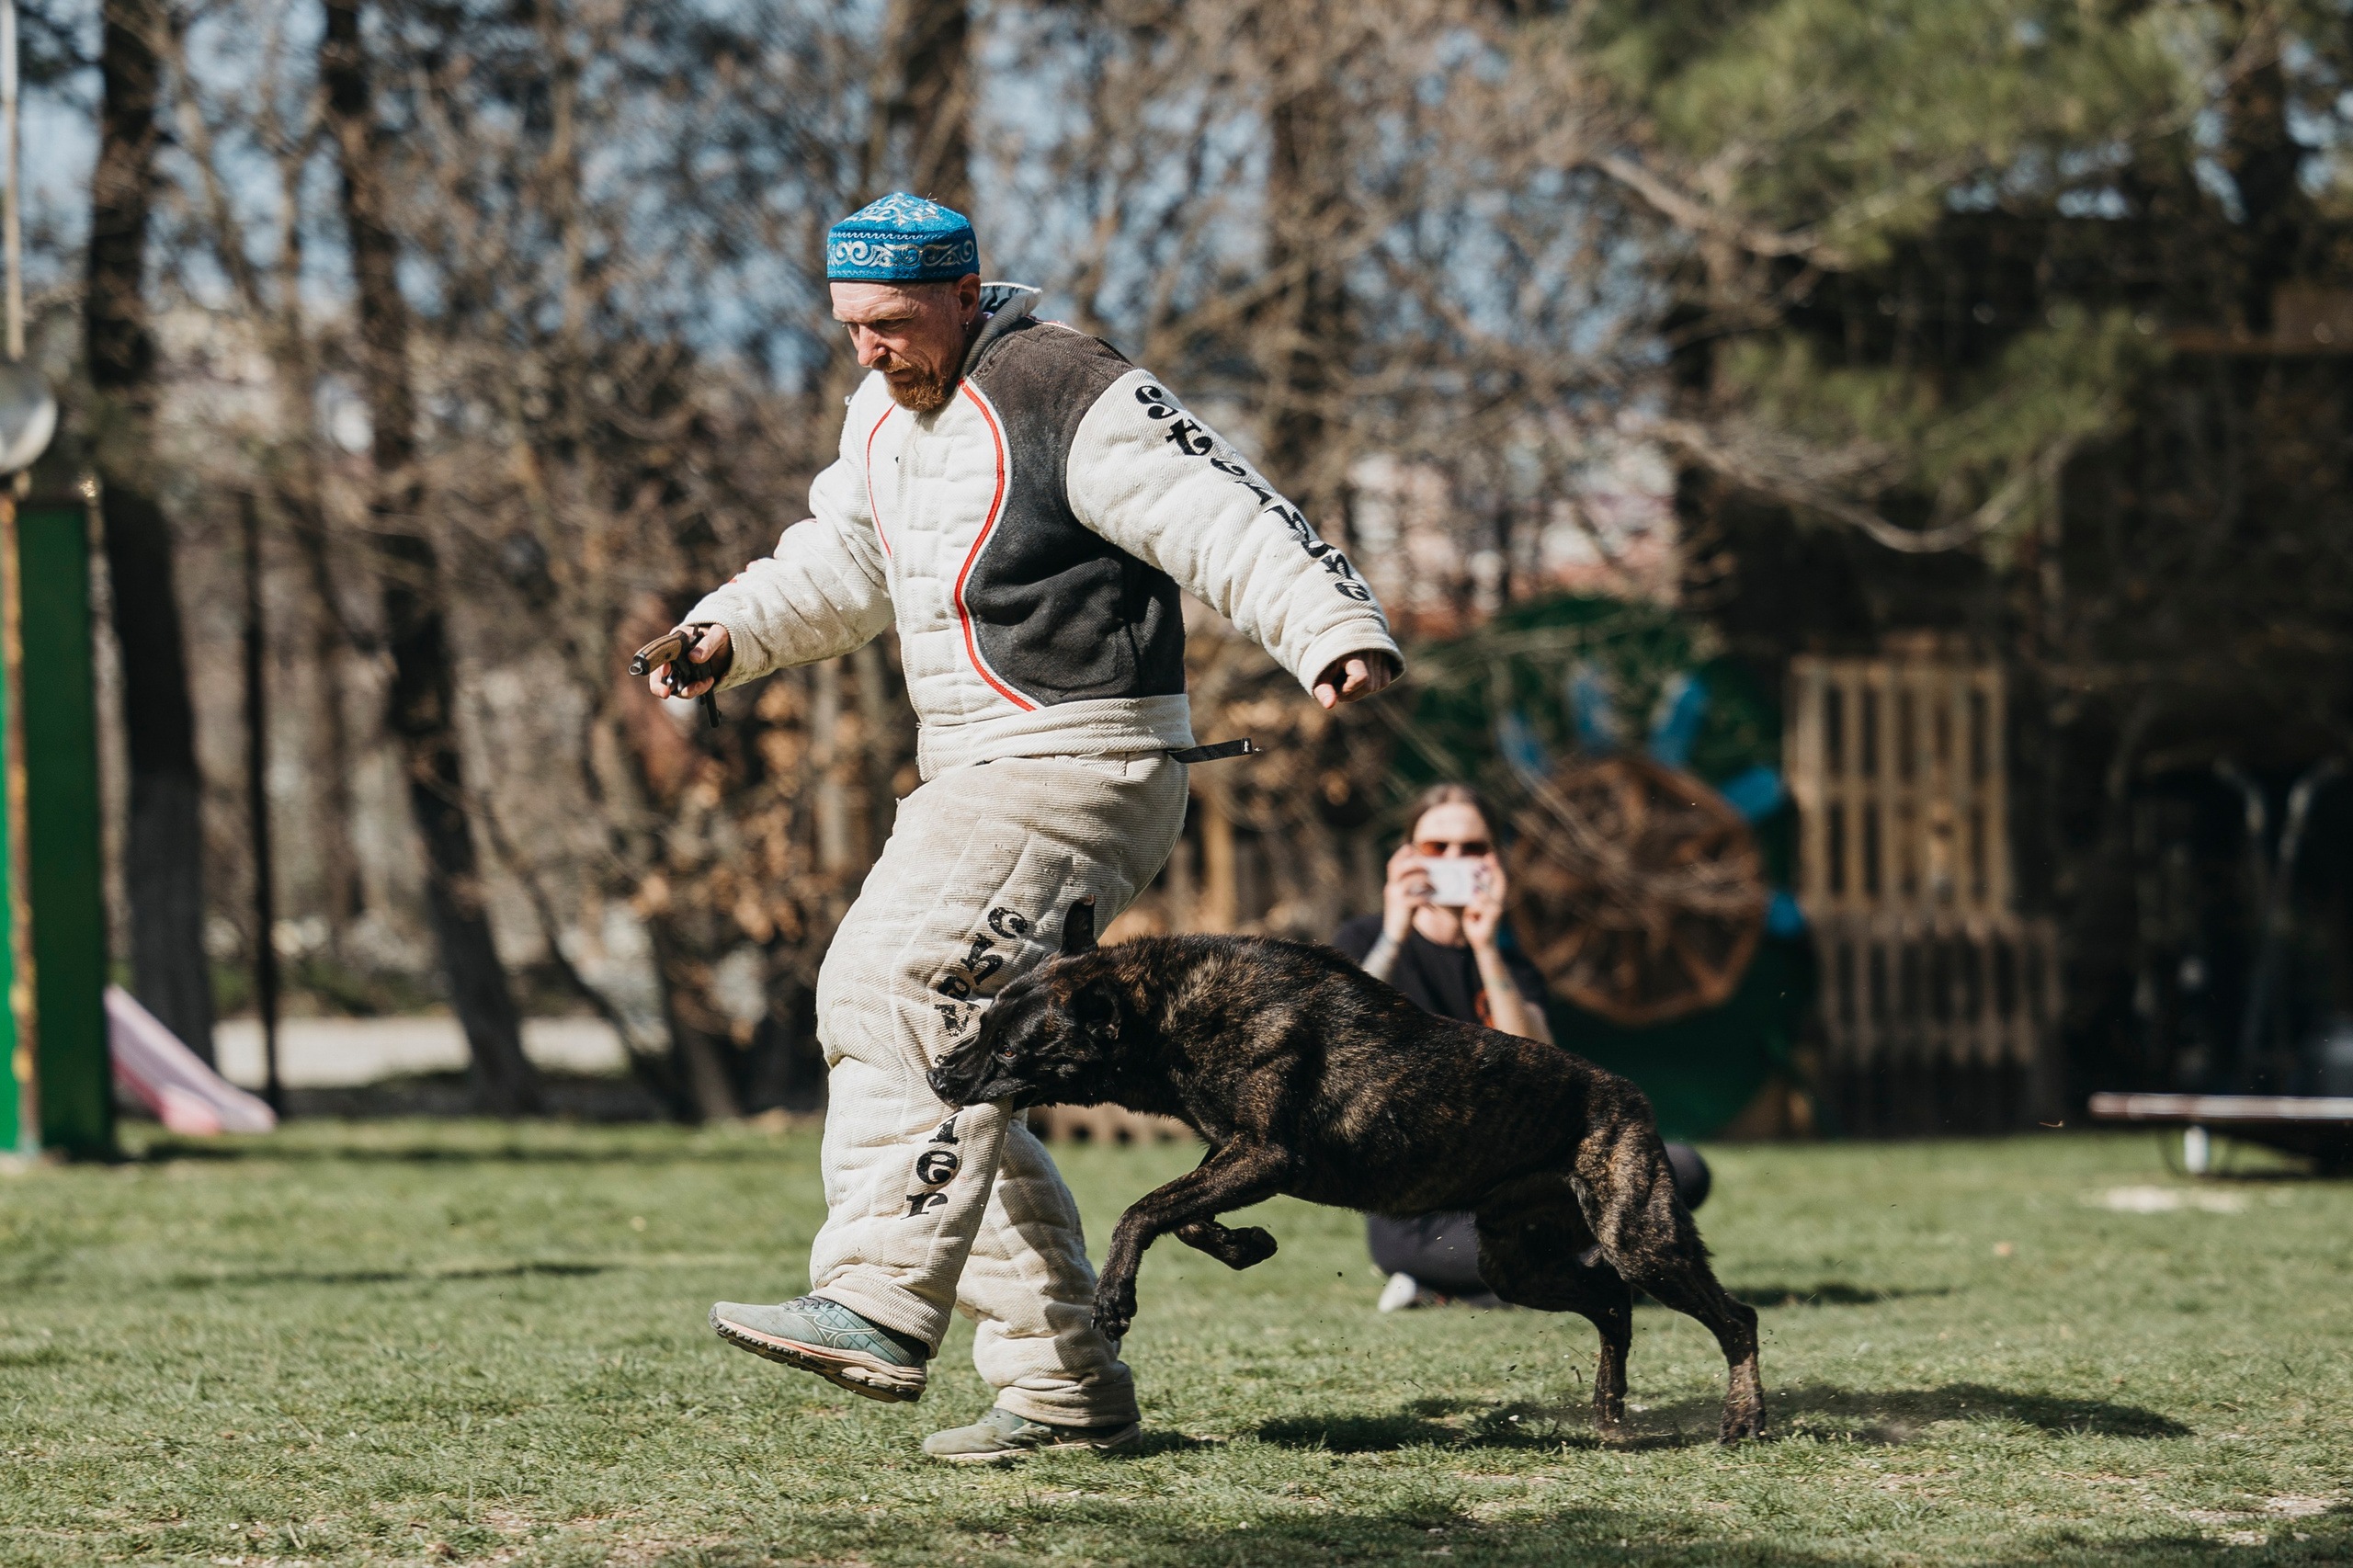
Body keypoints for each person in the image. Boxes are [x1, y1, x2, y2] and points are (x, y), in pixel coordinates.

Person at [646, 193, 1402, 1464]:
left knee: (899, 986)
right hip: (977, 767)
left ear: (964, 289)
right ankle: (1061, 1384)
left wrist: (1330, 625)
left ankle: (881, 1298)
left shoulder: (1068, 386)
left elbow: (1221, 508)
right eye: (848, 328)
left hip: (1083, 761)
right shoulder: (883, 411)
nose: (869, 351)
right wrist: (729, 629)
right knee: (950, 1058)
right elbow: (846, 559)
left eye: (890, 324)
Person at [1332, 784, 1711, 1312]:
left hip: (1520, 1193)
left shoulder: (1511, 963)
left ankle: (1464, 1291)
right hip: (1423, 1212)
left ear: (1498, 859)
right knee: (1593, 1252)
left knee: (1679, 1168)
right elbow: (1338, 1033)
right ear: (1407, 855)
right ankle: (1494, 1277)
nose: (1455, 861)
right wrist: (1395, 931)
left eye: (1473, 848)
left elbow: (1544, 1072)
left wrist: (1486, 947)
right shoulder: (1366, 940)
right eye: (1437, 848)